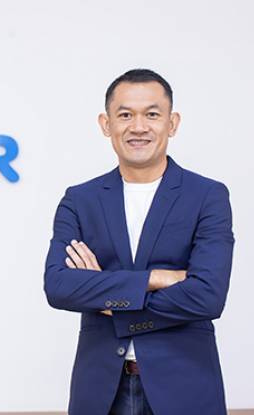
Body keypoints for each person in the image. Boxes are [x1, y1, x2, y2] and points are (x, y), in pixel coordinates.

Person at [43, 69, 235, 415]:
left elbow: (208, 296)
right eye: (125, 115)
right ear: (106, 124)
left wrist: (108, 299)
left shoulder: (207, 196)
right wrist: (157, 278)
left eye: (152, 114)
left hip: (185, 388)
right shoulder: (80, 200)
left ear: (172, 123)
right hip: (101, 392)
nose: (139, 127)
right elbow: (59, 286)